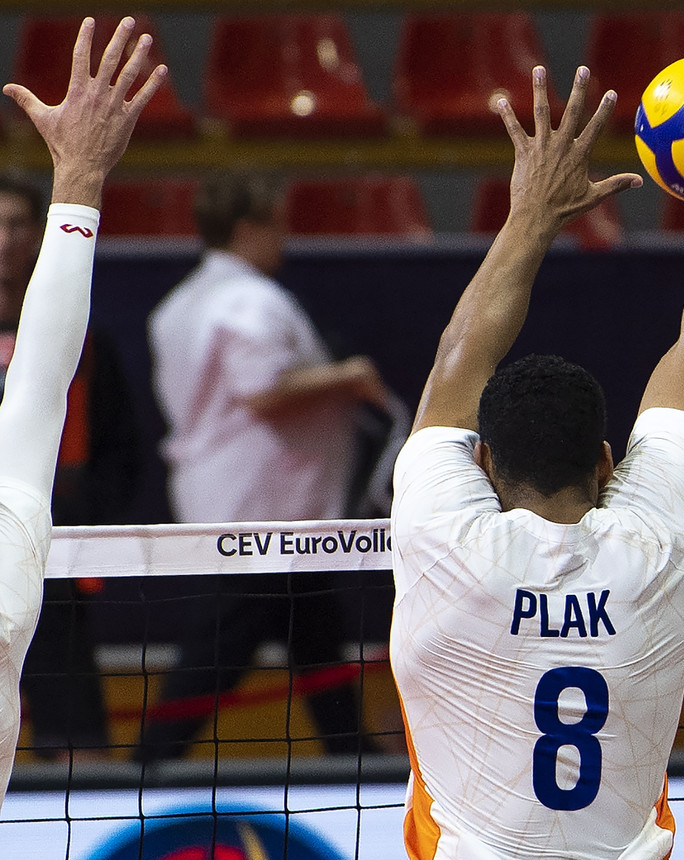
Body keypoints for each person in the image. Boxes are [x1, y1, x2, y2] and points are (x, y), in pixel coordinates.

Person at [388, 56, 684, 860]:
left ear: (484, 466)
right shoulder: (652, 546)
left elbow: (458, 358)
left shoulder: (444, 543)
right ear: (608, 463)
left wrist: (528, 213)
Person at [139, 173, 392, 763]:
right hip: (260, 522)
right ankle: (145, 769)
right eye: (275, 225)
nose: (283, 237)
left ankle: (354, 763)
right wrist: (351, 374)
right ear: (247, 227)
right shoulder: (249, 299)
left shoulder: (179, 303)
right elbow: (262, 389)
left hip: (265, 517)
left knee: (317, 645)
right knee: (214, 657)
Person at [0, 16, 165, 802]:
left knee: (76, 719)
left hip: (54, 546)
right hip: (27, 544)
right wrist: (81, 177)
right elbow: (38, 389)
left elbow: (54, 398)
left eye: (13, 225)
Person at [0, 172, 143, 762]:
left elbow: (121, 452)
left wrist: (81, 517)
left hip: (51, 566)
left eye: (16, 224)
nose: (5, 238)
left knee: (78, 748)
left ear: (37, 235)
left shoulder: (84, 344)